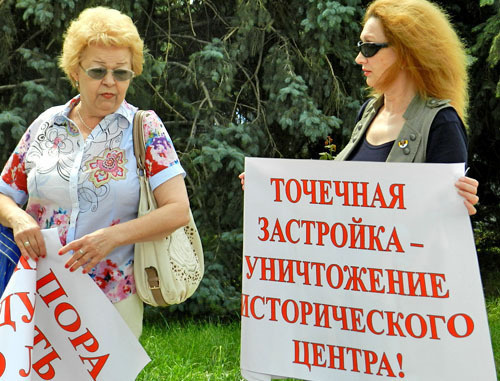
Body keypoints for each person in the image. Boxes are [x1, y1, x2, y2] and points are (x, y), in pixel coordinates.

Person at [0, 6, 190, 338]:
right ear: (75, 71)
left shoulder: (145, 129)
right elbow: (4, 196)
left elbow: (177, 211)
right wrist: (18, 219)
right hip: (38, 291)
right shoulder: (46, 125)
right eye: (98, 71)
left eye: (121, 73)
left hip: (113, 297)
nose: (110, 83)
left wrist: (113, 237)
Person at [239, 0, 479, 215]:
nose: (359, 58)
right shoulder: (368, 112)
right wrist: (269, 189)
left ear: (408, 52)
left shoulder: (441, 122)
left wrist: (458, 208)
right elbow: (339, 199)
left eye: (369, 47)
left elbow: (444, 230)